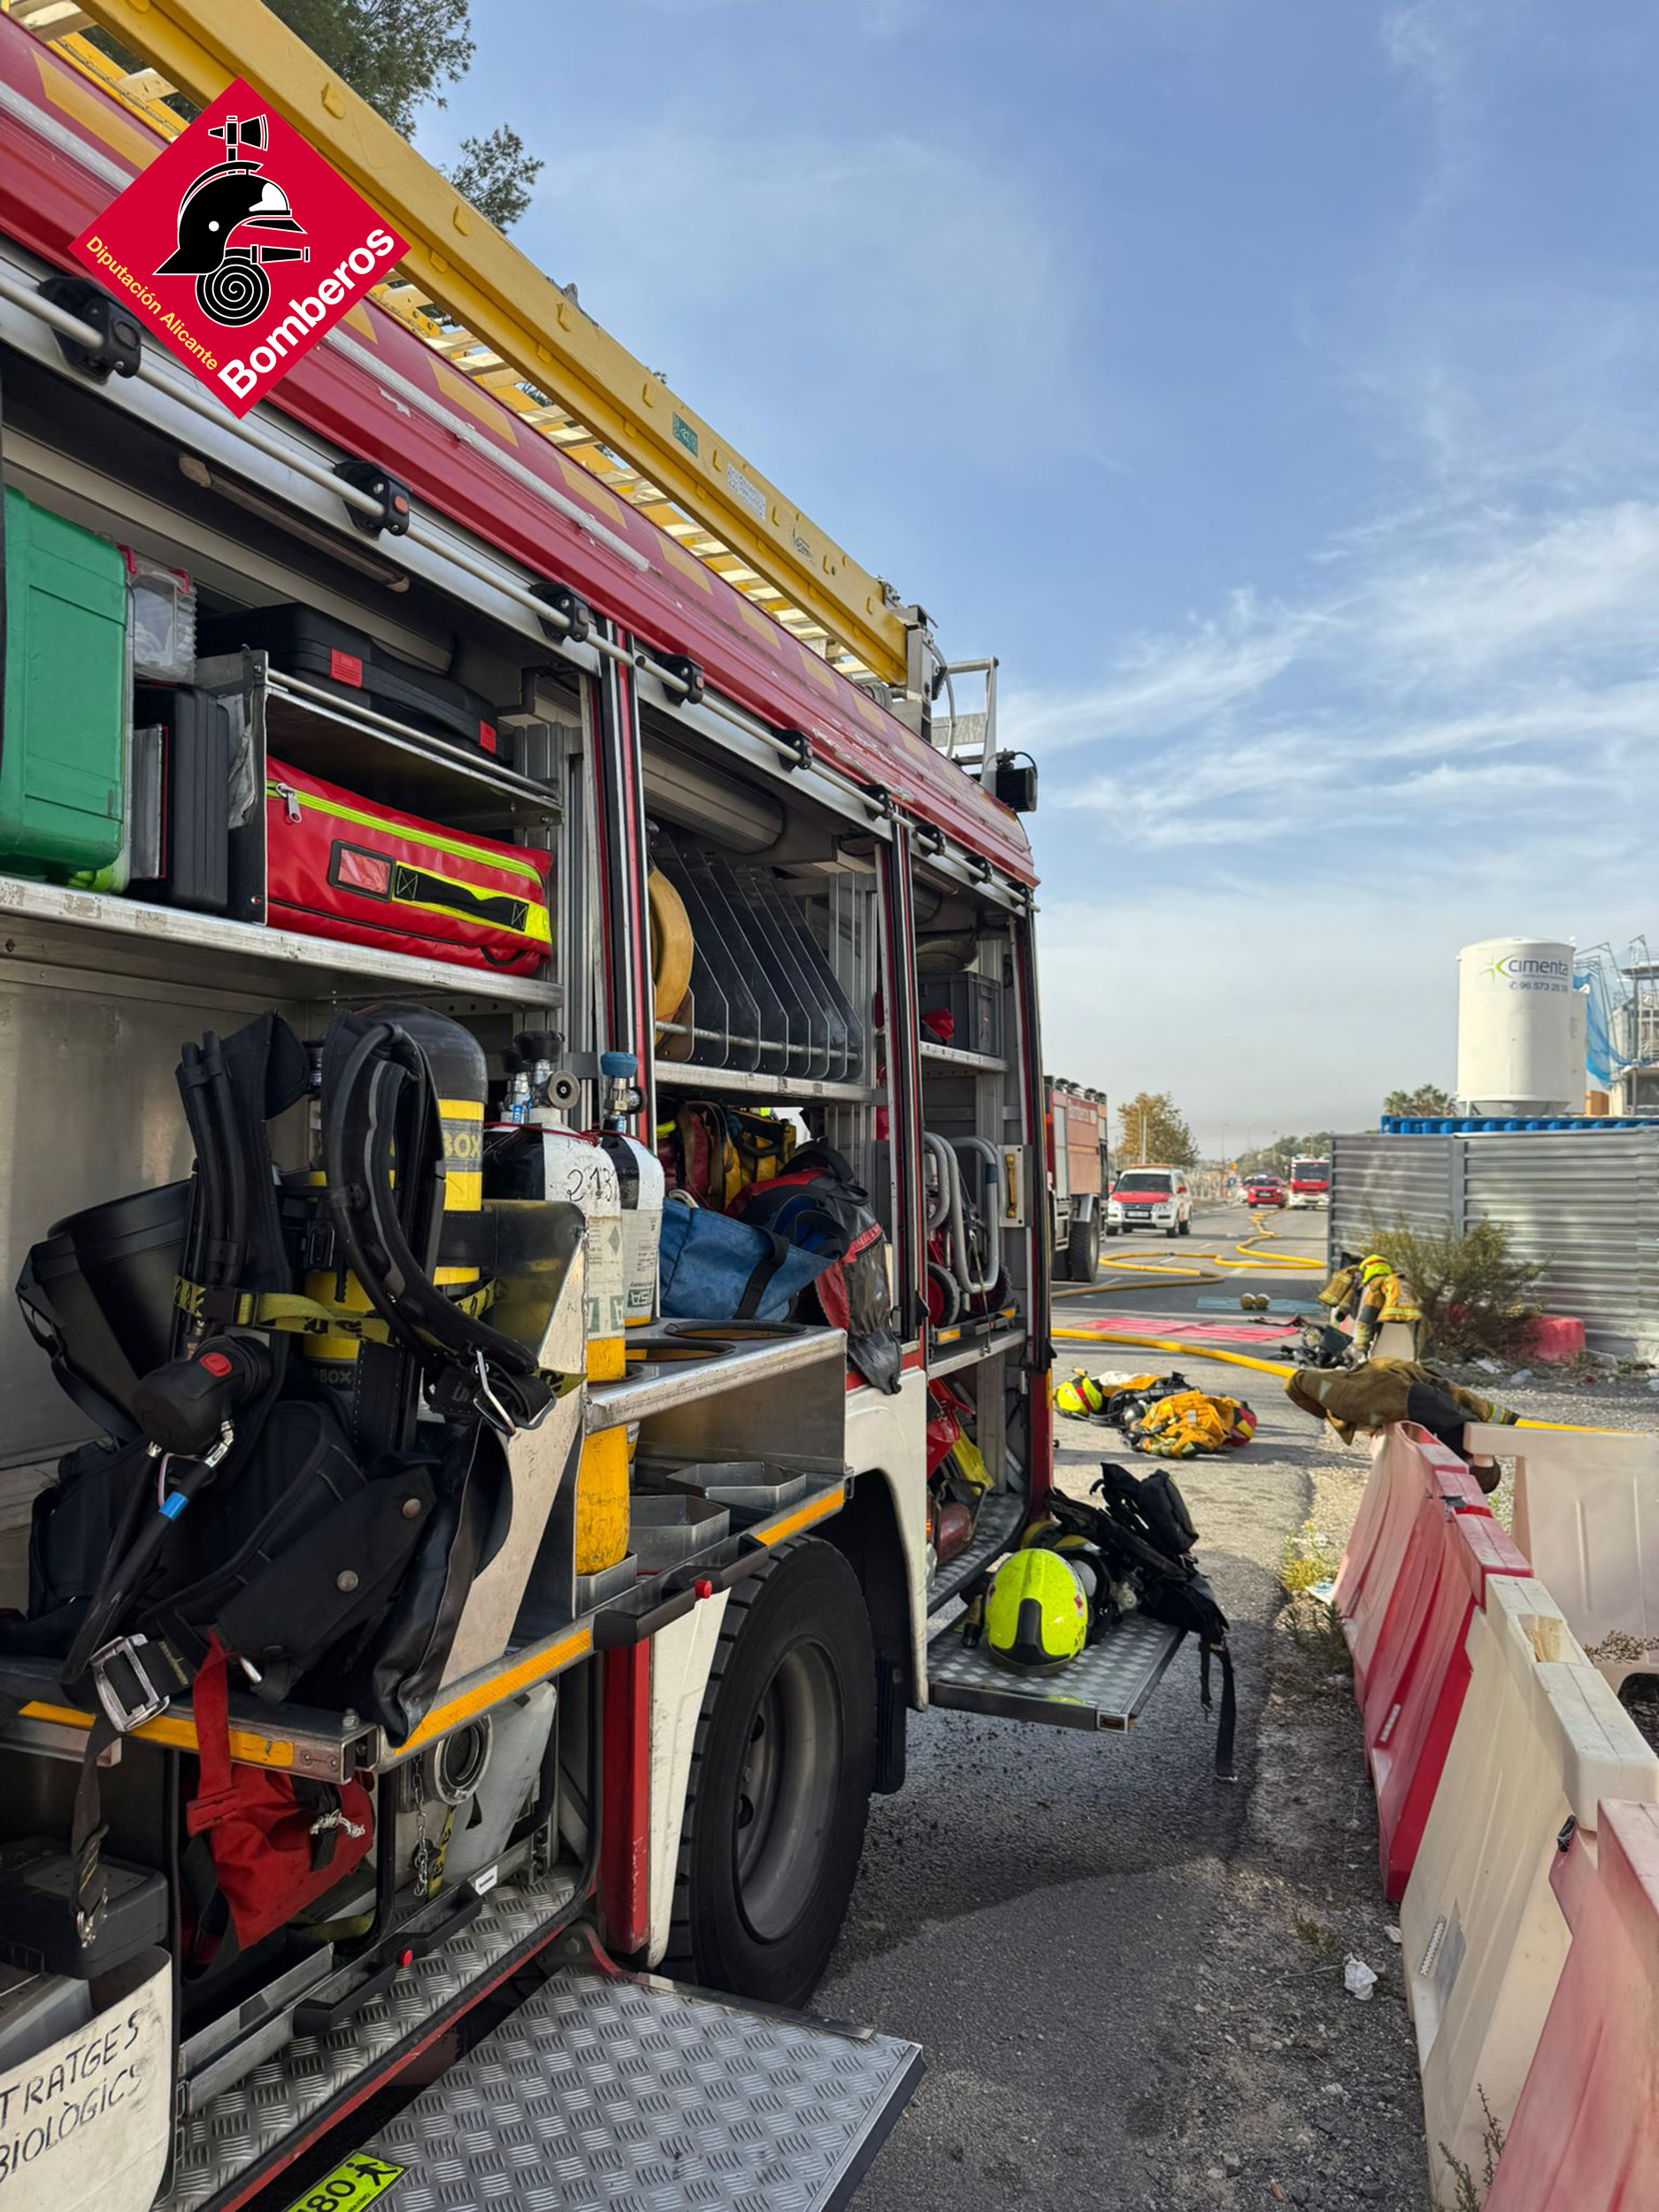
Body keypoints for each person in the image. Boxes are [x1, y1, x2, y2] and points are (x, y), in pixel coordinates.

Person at [1283, 1356, 1517, 1488]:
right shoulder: (1460, 1435)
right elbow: (1448, 1391)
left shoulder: (1350, 1390)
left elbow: (1446, 1392)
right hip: (1411, 1398)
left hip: (1410, 1397)